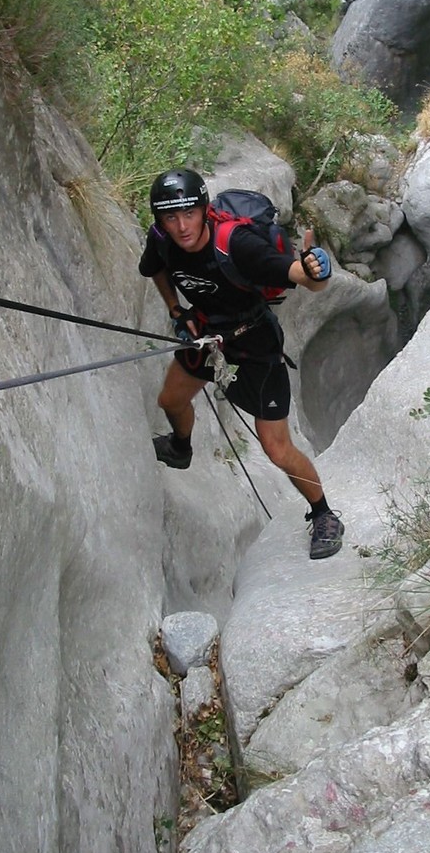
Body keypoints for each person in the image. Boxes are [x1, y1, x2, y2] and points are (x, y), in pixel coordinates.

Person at [139, 167, 345, 560]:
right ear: (160, 220)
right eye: (170, 217)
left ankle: (323, 515)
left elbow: (302, 277)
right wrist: (175, 310)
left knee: (276, 447)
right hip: (207, 335)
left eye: (189, 214)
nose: (181, 226)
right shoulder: (162, 240)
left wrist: (315, 271)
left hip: (255, 345)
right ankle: (180, 448)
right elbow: (156, 269)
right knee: (171, 401)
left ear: (204, 210)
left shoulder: (237, 245)